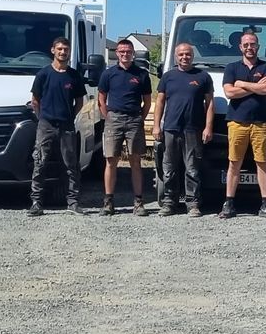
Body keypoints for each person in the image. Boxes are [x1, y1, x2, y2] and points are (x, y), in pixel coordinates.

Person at [150, 42, 215, 217]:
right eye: (181, 54)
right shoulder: (168, 77)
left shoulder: (203, 76)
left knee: (192, 168)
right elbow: (160, 102)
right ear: (175, 56)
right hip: (171, 128)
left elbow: (209, 104)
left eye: (188, 54)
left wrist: (208, 127)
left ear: (193, 56)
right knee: (169, 167)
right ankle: (169, 203)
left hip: (193, 129)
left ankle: (192, 203)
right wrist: (157, 126)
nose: (184, 57)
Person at [220, 31, 266, 218]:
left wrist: (242, 84)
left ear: (258, 46)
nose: (249, 47)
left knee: (262, 163)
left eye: (252, 44)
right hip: (237, 123)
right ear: (240, 47)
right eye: (246, 44)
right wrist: (255, 87)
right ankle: (229, 203)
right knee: (234, 163)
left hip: (260, 123)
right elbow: (229, 93)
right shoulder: (231, 67)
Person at [28, 36, 85, 216]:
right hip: (46, 125)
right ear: (53, 50)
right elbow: (35, 100)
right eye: (59, 49)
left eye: (65, 49)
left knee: (71, 165)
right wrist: (41, 118)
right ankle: (36, 202)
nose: (63, 52)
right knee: (40, 162)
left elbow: (79, 102)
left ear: (69, 52)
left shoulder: (74, 76)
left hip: (66, 125)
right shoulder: (43, 74)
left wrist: (70, 117)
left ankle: (73, 202)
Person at [97, 38, 153, 215]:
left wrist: (139, 118)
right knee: (111, 160)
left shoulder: (142, 74)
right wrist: (109, 117)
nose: (125, 54)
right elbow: (101, 98)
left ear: (133, 53)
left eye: (128, 51)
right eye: (121, 51)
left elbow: (147, 101)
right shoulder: (108, 74)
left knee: (135, 161)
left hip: (134, 119)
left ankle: (138, 202)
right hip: (114, 118)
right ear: (117, 53)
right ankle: (108, 202)